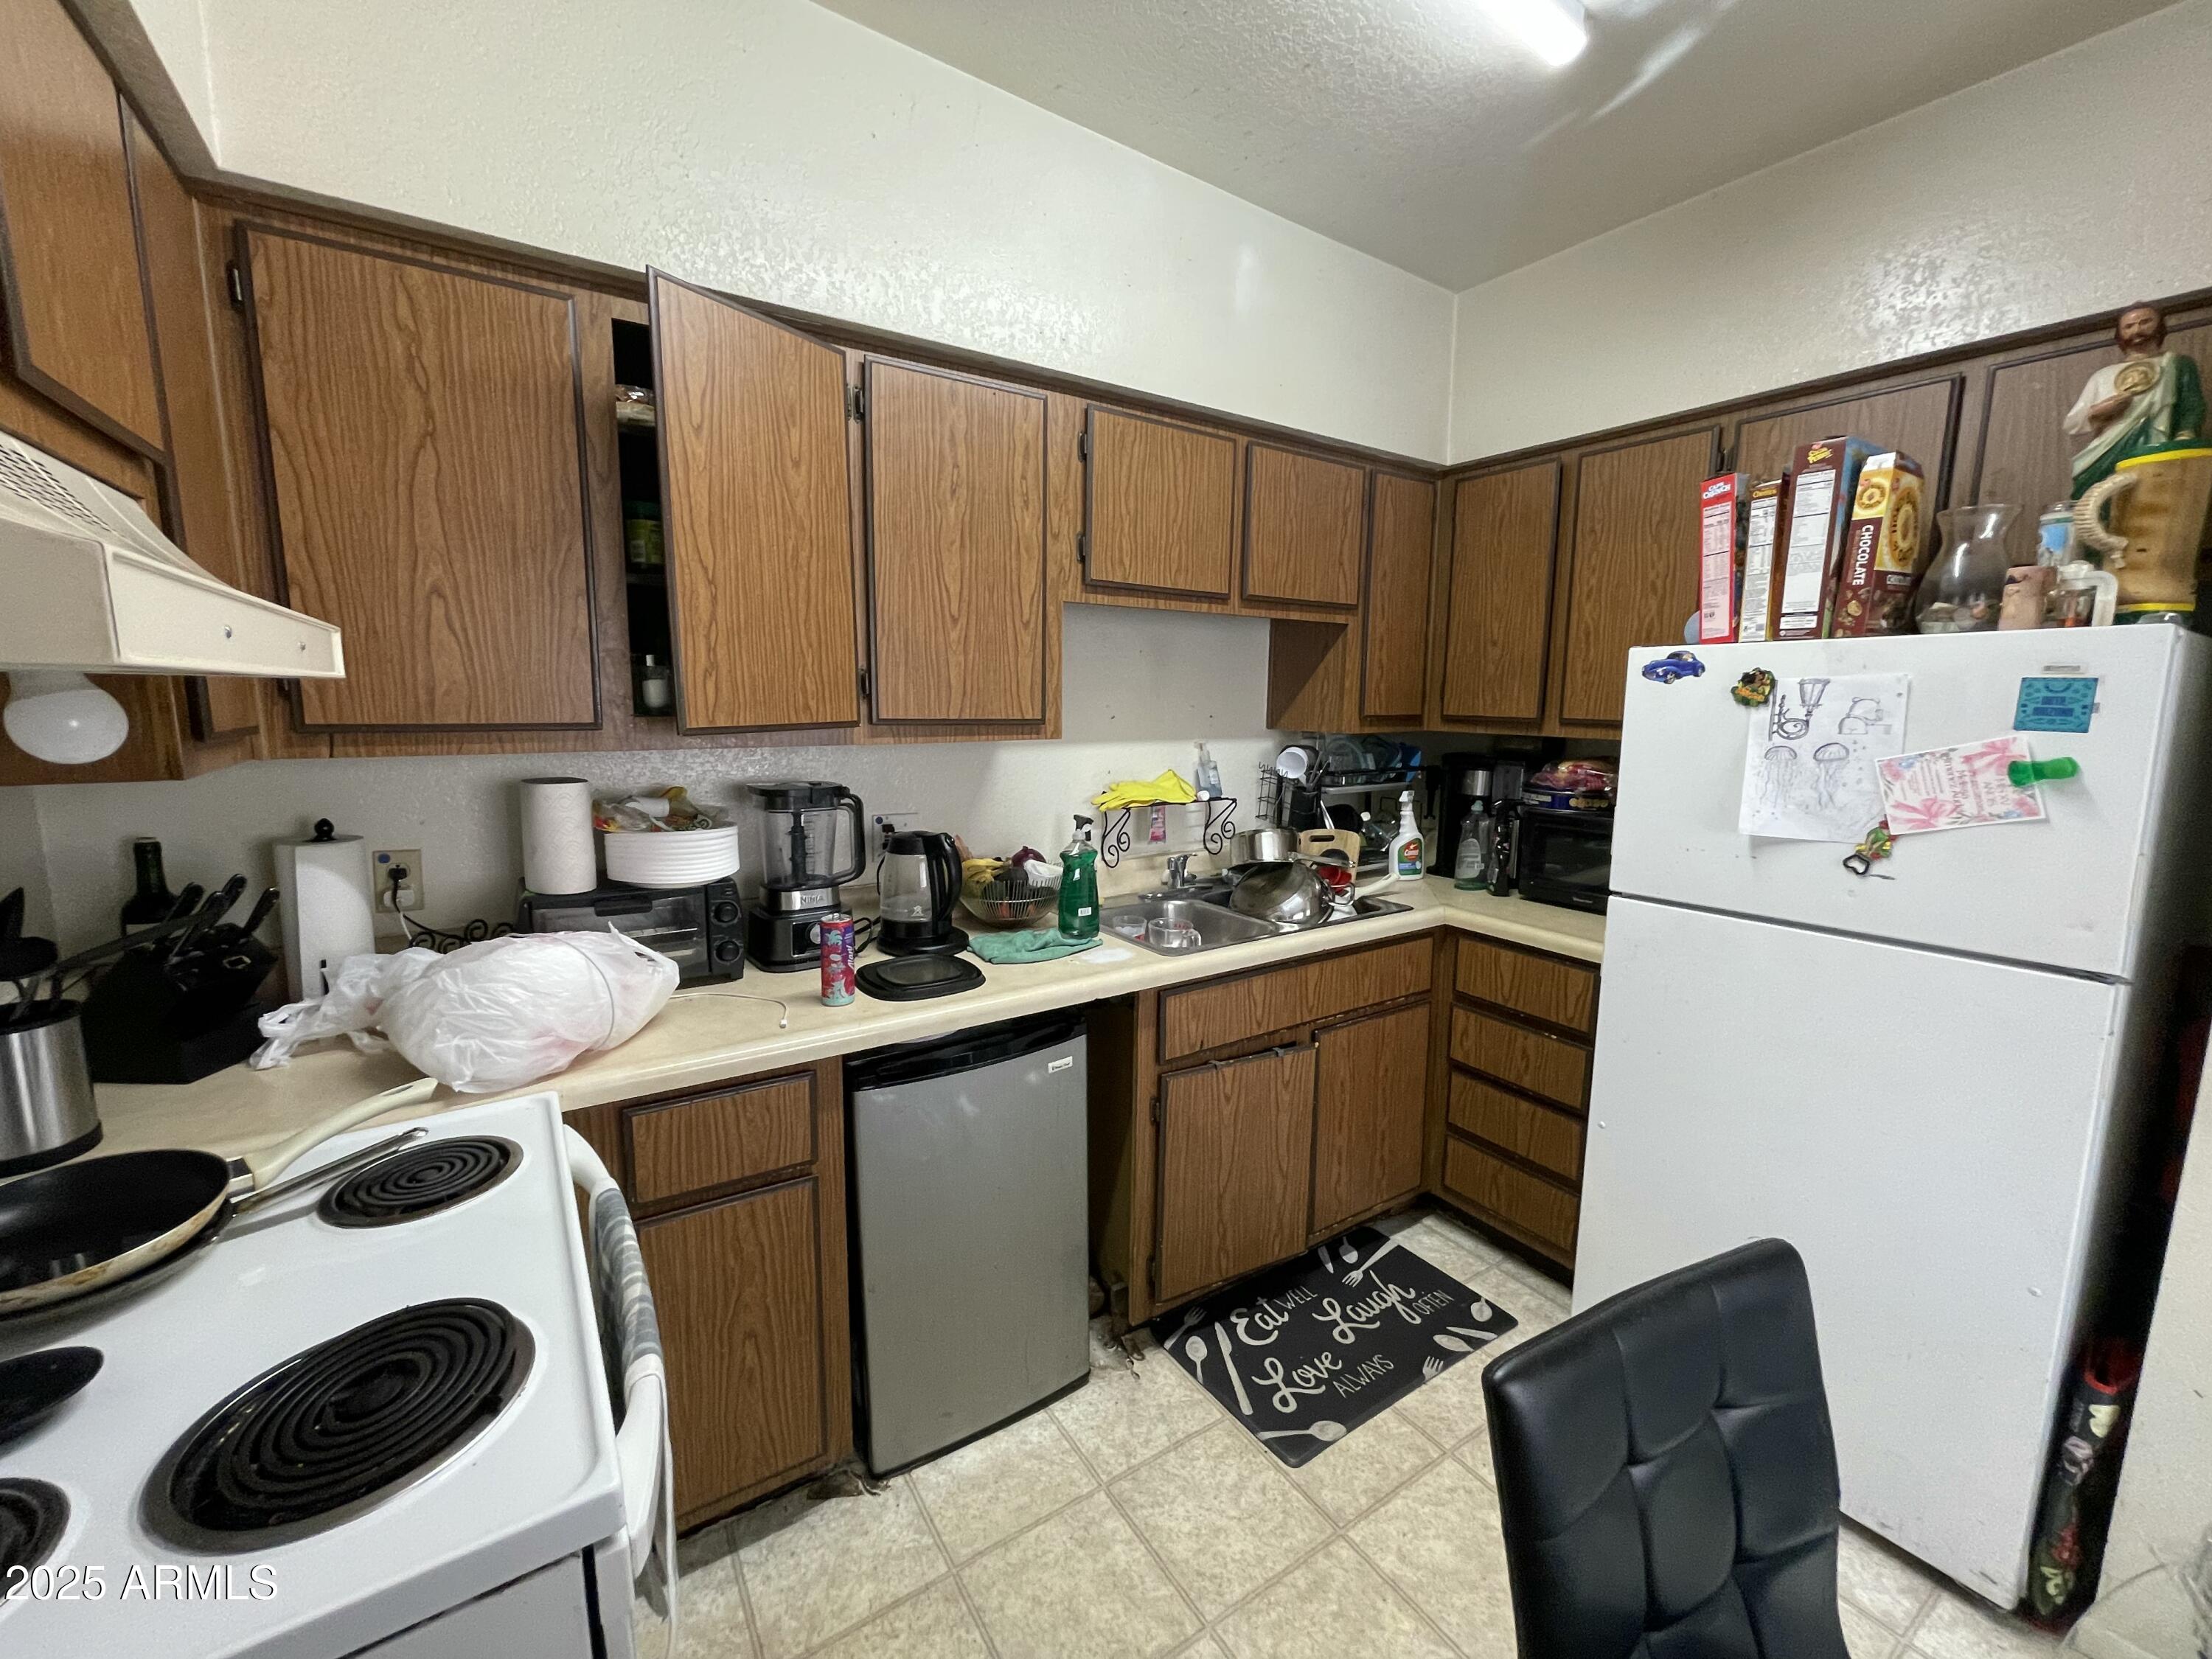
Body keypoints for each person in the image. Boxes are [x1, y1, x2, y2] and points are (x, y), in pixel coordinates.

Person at [2065, 302, 2205, 497]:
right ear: (2119, 334)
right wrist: (2102, 410)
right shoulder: (2103, 376)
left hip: (2157, 448)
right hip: (2106, 451)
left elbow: (2192, 406)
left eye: (2145, 322)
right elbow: (2072, 424)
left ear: (2160, 327)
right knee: (2096, 503)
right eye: (2129, 327)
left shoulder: (2177, 365)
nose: (2137, 330)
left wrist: (2184, 439)